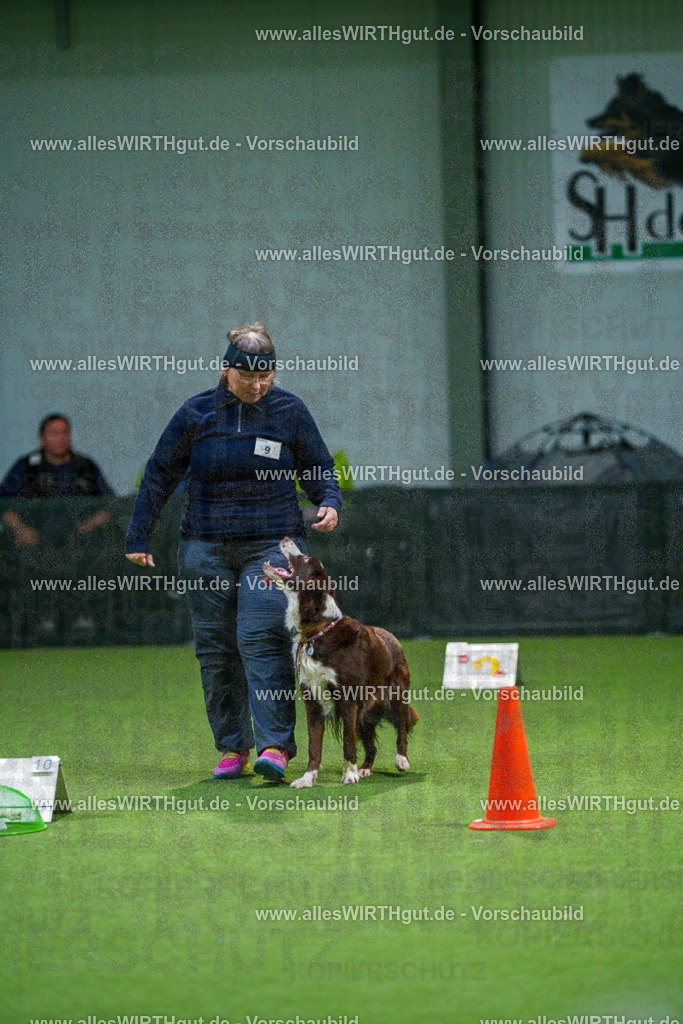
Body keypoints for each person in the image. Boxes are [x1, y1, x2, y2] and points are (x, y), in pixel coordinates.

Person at [125, 323, 341, 782]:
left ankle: (274, 747)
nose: (258, 386)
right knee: (216, 649)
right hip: (205, 547)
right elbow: (159, 474)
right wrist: (138, 535)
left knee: (262, 639)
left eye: (266, 377)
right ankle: (232, 747)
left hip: (270, 546)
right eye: (248, 377)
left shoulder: (289, 410)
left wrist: (328, 499)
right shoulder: (195, 413)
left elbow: (318, 465)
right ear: (226, 370)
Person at [0, 414, 115, 634]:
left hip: (79, 539)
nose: (61, 438)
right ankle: (40, 618)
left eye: (65, 432)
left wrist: (92, 522)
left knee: (99, 552)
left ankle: (85, 616)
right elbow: (3, 504)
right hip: (36, 540)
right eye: (54, 433)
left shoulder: (85, 465)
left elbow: (110, 504)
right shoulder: (27, 466)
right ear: (42, 439)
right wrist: (20, 529)